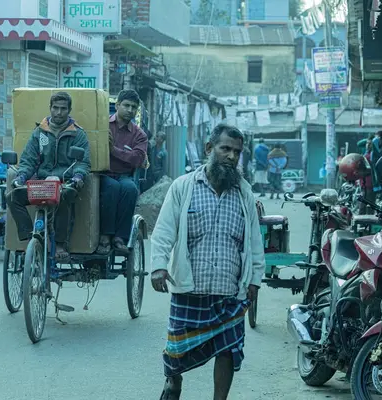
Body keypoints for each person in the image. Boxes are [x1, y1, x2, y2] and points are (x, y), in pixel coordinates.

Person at [150, 123, 265, 400]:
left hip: (229, 290)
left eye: (237, 152)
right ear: (209, 149)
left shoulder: (244, 194)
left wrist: (255, 280)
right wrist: (158, 265)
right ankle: (174, 382)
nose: (231, 156)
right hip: (189, 287)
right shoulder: (183, 187)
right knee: (176, 351)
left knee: (228, 348)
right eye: (225, 149)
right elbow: (164, 230)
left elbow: (253, 242)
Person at [7, 91, 91, 260]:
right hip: (41, 183)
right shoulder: (39, 132)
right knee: (12, 196)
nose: (59, 112)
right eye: (55, 108)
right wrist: (21, 177)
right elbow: (28, 159)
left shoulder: (78, 134)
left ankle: (60, 243)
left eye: (63, 109)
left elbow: (83, 163)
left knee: (64, 197)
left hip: (65, 182)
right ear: (50, 108)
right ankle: (30, 238)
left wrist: (77, 178)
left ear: (69, 110)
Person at [97, 89, 148, 254]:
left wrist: (113, 150)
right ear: (117, 105)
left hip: (125, 176)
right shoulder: (103, 125)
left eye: (134, 107)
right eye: (126, 105)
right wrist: (124, 154)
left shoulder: (139, 135)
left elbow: (138, 159)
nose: (130, 110)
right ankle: (105, 235)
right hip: (103, 175)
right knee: (111, 187)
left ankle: (120, 237)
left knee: (130, 189)